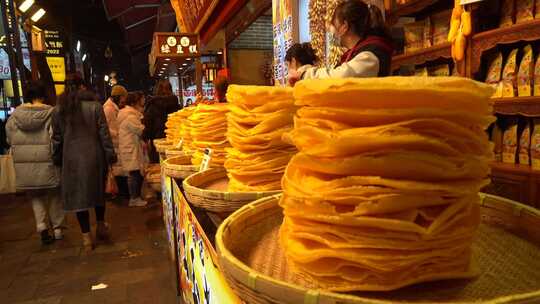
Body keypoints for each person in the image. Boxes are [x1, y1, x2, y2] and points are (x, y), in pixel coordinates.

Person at [51, 74, 117, 251]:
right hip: (95, 157)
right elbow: (104, 134)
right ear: (82, 87)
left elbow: (56, 139)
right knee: (97, 193)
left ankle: (86, 237)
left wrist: (56, 158)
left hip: (71, 159)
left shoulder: (59, 110)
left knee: (79, 198)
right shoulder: (95, 107)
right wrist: (110, 155)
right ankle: (101, 226)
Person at [6, 81, 65, 245]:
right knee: (54, 194)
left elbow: (9, 139)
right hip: (48, 162)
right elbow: (57, 138)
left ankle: (41, 226)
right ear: (43, 95)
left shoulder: (14, 117)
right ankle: (58, 228)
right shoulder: (52, 114)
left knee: (35, 195)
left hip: (26, 166)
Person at [289, 0, 393, 81]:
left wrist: (306, 75)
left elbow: (341, 77)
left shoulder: (370, 55)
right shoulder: (354, 53)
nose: (330, 31)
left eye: (333, 25)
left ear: (344, 26)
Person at [118, 91, 148, 207]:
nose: (144, 100)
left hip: (131, 147)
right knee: (135, 173)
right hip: (131, 148)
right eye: (142, 98)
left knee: (135, 172)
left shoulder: (128, 113)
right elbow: (141, 130)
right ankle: (134, 198)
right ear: (136, 101)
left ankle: (135, 197)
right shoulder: (130, 116)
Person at [143, 80, 181, 163]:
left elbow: (147, 129)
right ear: (171, 90)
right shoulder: (176, 105)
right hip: (175, 145)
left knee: (160, 169)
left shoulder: (152, 106)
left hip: (157, 146)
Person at [103, 85, 130, 199]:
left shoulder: (112, 107)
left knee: (120, 168)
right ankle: (121, 193)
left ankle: (122, 192)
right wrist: (118, 134)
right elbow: (107, 127)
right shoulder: (109, 108)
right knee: (118, 169)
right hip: (114, 142)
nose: (124, 100)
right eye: (123, 97)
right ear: (118, 96)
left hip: (117, 141)